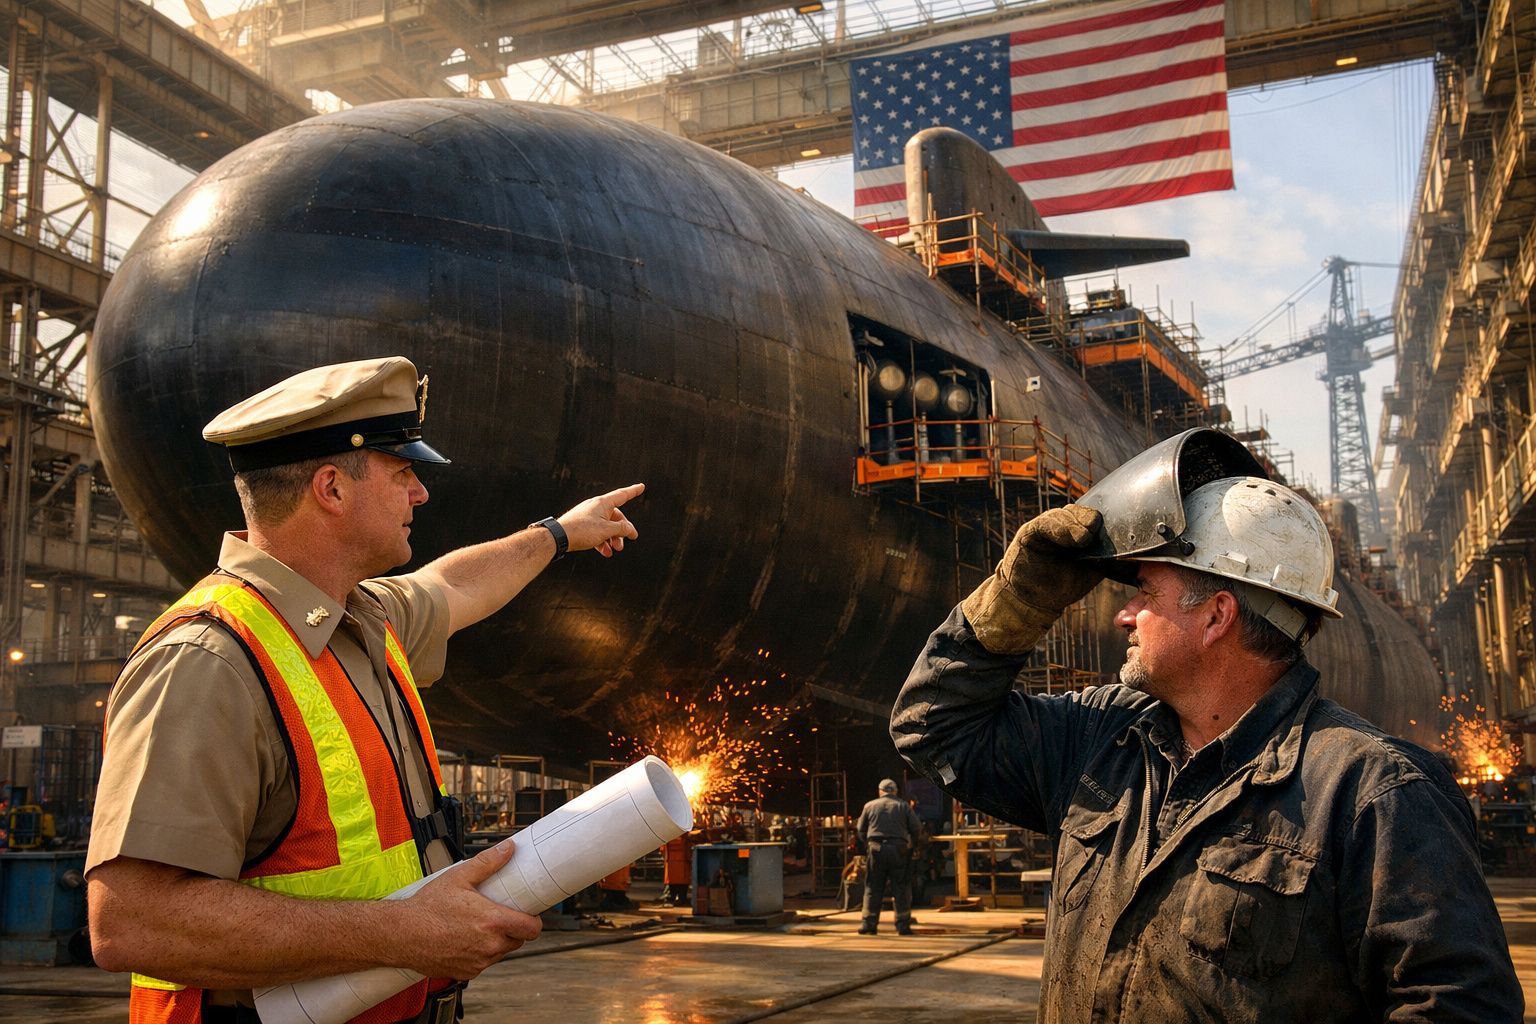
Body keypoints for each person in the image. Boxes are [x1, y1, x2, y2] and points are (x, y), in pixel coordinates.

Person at [890, 430, 1523, 1022]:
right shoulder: (1102, 740)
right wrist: (1016, 598)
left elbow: (1457, 1006)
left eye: (1144, 592)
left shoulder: (1372, 793)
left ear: (1217, 615)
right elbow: (934, 728)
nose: (1124, 615)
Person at [85, 356, 645, 1023]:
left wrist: (559, 534)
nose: (421, 495)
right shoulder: (208, 662)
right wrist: (405, 933)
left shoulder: (360, 617)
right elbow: (131, 922)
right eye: (403, 473)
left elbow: (454, 585)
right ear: (331, 488)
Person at [854, 778, 920, 935]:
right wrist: (911, 847)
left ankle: (869, 924)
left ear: (880, 791)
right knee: (901, 887)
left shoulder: (869, 806)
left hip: (876, 849)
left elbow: (861, 830)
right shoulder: (904, 806)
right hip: (899, 850)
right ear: (895, 792)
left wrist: (868, 845)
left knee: (873, 887)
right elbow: (916, 828)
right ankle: (903, 925)